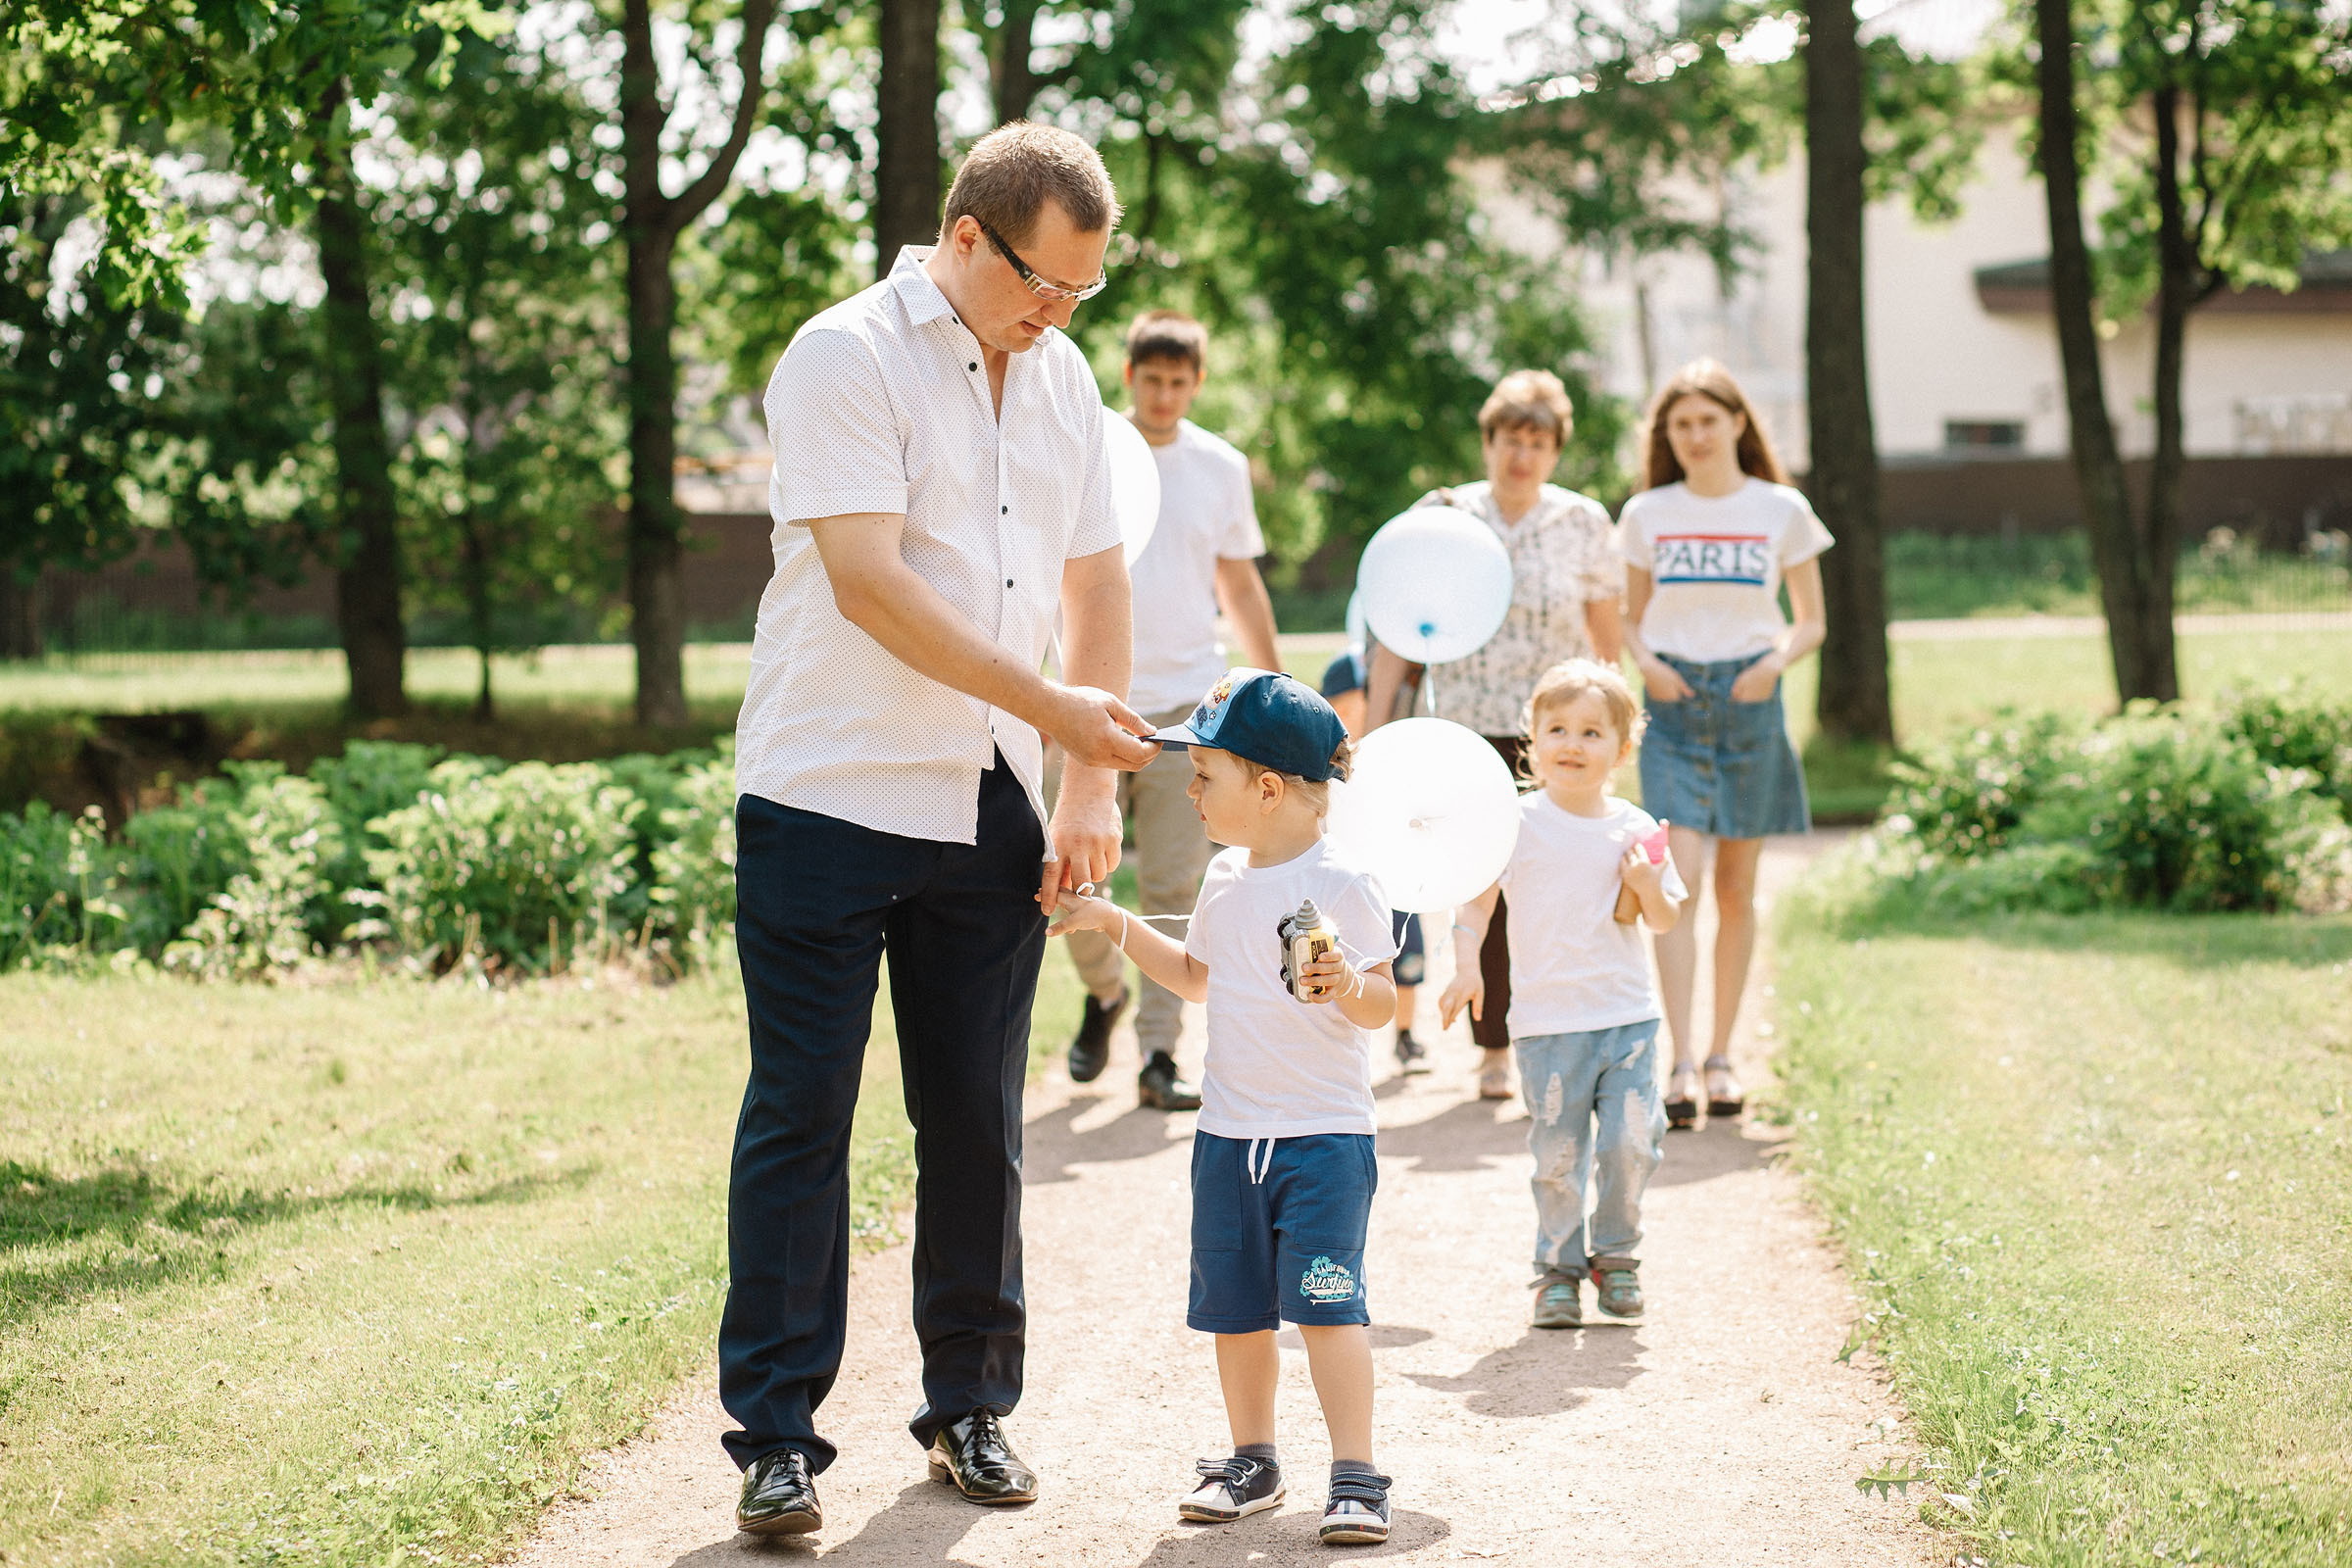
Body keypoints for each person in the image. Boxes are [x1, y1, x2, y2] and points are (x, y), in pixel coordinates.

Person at [724, 122, 1159, 1539]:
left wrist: (1084, 780)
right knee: (804, 1114)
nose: (1061, 314)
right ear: (966, 238)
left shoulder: (1067, 373)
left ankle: (970, 1409)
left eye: (1084, 293)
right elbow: (872, 584)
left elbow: (1098, 580)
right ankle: (776, 1441)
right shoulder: (842, 356)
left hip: (993, 797)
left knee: (976, 1116)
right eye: (1046, 284)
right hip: (826, 789)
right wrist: (1061, 710)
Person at [1044, 669, 1402, 1545]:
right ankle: (1255, 1460)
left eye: (1205, 776)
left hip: (1322, 1141)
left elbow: (1382, 1004)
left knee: (1328, 1308)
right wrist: (1115, 924)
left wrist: (1348, 981)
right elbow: (1200, 980)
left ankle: (1355, 1475)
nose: (1191, 792)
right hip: (1228, 1139)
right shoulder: (1224, 879)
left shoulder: (1346, 880)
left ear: (1269, 788)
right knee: (1236, 1312)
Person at [1365, 369, 1624, 1103]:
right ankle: (1493, 1047)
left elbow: (1607, 641)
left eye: (1539, 443)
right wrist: (1376, 726)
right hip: (1462, 729)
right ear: (1488, 441)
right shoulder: (1445, 515)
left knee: (1549, 881)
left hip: (1555, 731)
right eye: (1511, 439)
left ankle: (1554, 1035)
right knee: (1480, 889)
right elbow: (1396, 628)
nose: (1523, 456)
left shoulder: (1582, 524)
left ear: (1556, 451)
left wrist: (1610, 731)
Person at [1062, 310, 1283, 1111]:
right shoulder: (1088, 448)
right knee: (1064, 877)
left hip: (1187, 705)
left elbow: (1240, 583)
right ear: (1128, 377)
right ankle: (1104, 995)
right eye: (1150, 380)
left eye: (1179, 382)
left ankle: (1160, 1055)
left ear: (1195, 384)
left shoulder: (1220, 467)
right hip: (1085, 704)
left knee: (1172, 882)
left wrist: (1274, 682)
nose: (1163, 395)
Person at [1439, 660, 1686, 1327]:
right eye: (1556, 729)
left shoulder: (1637, 830)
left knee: (1632, 1142)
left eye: (1591, 732)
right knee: (1559, 1155)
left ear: (1623, 748)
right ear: (1532, 741)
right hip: (1548, 1025)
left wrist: (1644, 886)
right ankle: (1557, 1268)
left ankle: (1616, 1256)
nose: (1572, 744)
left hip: (1627, 1017)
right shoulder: (1515, 824)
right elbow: (1476, 904)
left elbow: (1664, 919)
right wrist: (1468, 968)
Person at [1617, 359, 1829, 1129]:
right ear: (1667, 436)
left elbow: (1811, 619)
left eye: (1709, 420)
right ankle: (1676, 1062)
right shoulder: (1646, 512)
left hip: (1750, 703)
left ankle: (1721, 1055)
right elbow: (1630, 619)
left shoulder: (1782, 509)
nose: (1697, 435)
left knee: (1738, 891)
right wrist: (1648, 665)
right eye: (1682, 424)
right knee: (1681, 884)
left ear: (1739, 421)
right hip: (1672, 706)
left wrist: (1775, 661)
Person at [1319, 643, 1428, 1072]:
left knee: (1407, 950)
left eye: (1356, 699)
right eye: (1340, 702)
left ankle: (1405, 1035)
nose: (1351, 709)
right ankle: (1339, 1037)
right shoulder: (1323, 760)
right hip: (1341, 877)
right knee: (1339, 953)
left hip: (1392, 874)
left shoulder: (1391, 754)